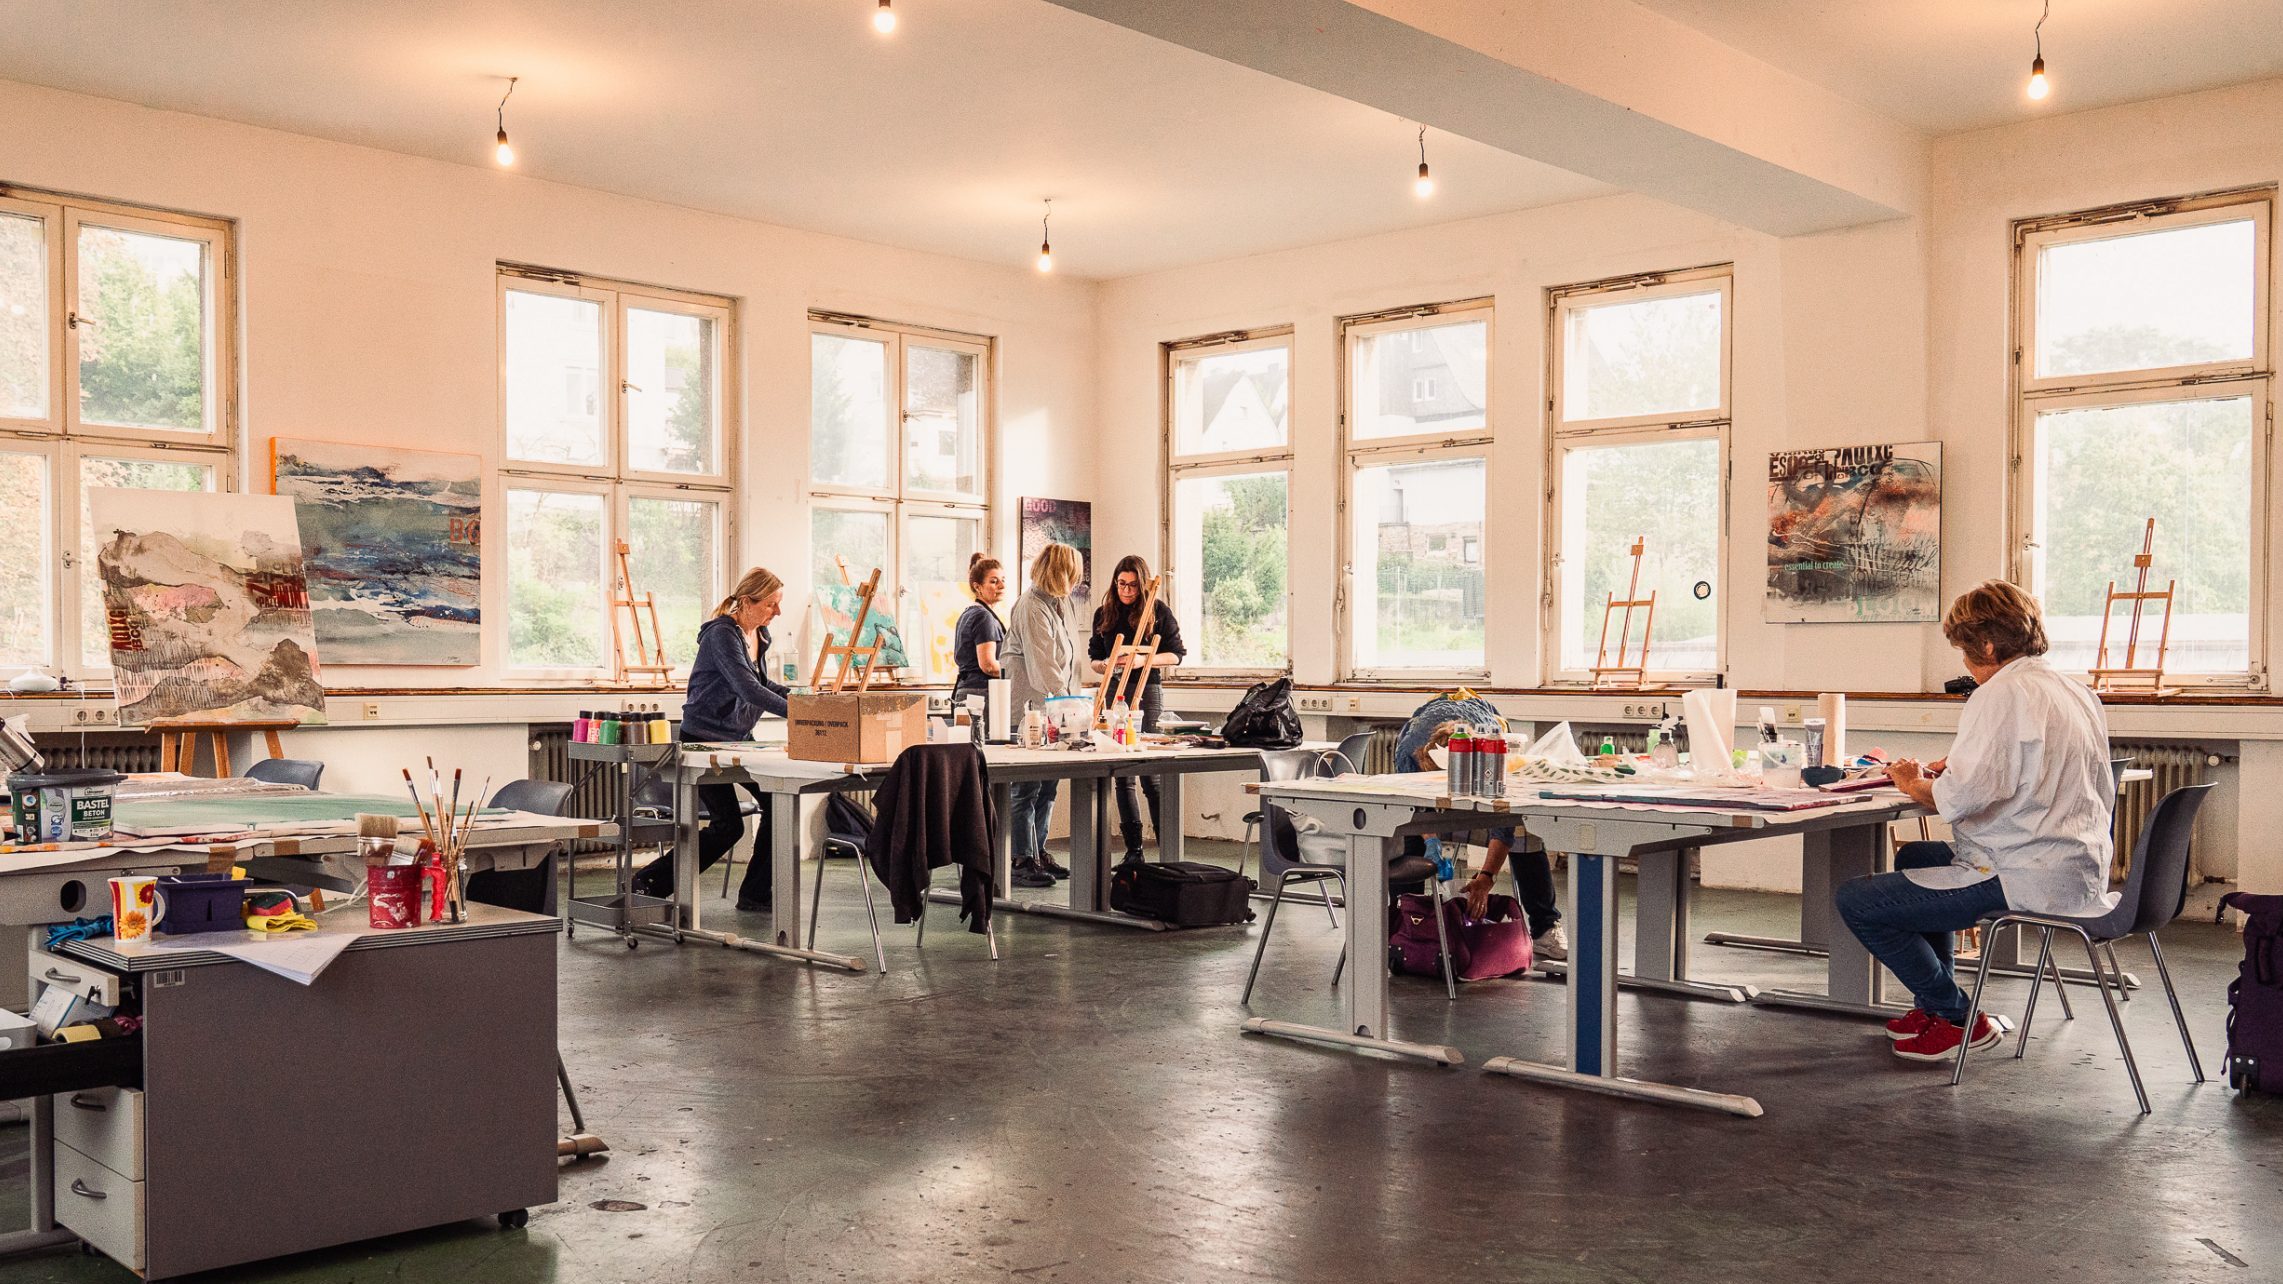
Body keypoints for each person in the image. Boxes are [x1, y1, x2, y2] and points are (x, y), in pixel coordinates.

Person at [1836, 579, 2117, 1062]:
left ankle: (1957, 1016)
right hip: (2074, 866)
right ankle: (1934, 1006)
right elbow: (2019, 771)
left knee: (1856, 900)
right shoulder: (2073, 690)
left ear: (1986, 645)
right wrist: (1957, 769)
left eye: (1965, 650)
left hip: (2024, 874)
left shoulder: (1999, 694)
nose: (1965, 663)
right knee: (1918, 856)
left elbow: (1960, 799)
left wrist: (1911, 781)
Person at [631, 567, 790, 912]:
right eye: (771, 604)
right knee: (729, 826)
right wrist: (799, 712)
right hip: (702, 739)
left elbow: (763, 684)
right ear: (746, 602)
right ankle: (648, 882)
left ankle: (755, 893)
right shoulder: (721, 635)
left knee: (779, 804)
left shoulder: (760, 635)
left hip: (739, 738)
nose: (777, 611)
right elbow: (747, 689)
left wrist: (806, 699)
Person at [1391, 695, 1566, 960]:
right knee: (1405, 830)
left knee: (1525, 832)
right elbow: (1414, 806)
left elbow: (1504, 823)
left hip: (1481, 784)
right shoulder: (1409, 752)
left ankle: (1545, 928)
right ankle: (1405, 922)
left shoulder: (1492, 749)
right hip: (1426, 789)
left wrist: (1486, 877)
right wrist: (1430, 841)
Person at [1087, 554, 1187, 861]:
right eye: (1121, 584)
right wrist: (1105, 664)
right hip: (1114, 690)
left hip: (1147, 690)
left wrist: (1144, 660)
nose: (1126, 591)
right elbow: (1093, 659)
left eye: (1132, 585)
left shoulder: (1158, 611)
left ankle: (1166, 848)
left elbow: (1176, 655)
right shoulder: (1104, 612)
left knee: (1150, 772)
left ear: (1142, 586)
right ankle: (1134, 851)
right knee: (1122, 773)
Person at [1001, 542, 1089, 889]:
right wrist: (1070, 704)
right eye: (1073, 573)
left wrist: (1075, 703)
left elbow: (1071, 660)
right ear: (1060, 573)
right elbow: (1044, 666)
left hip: (1055, 707)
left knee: (1049, 785)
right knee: (1026, 786)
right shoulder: (1031, 606)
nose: (1077, 580)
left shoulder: (1061, 603)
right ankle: (1020, 858)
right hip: (1029, 707)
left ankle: (1038, 850)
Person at [952, 554, 1007, 711]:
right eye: (994, 581)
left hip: (967, 691)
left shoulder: (968, 613)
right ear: (977, 587)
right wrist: (1016, 672)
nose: (1002, 586)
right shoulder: (983, 616)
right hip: (981, 693)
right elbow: (988, 665)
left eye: (1003, 580)